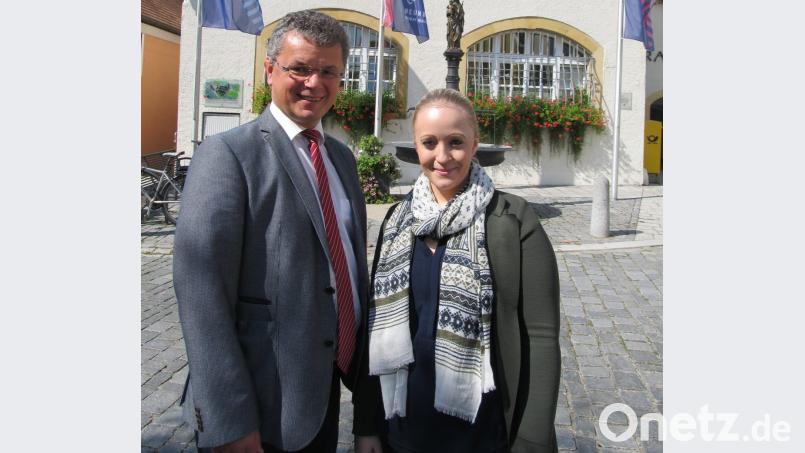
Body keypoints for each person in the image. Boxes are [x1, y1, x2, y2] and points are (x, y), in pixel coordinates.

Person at [174, 10, 381, 453]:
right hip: (260, 406)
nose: (315, 83)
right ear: (270, 70)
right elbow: (201, 294)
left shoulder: (342, 160)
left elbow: (346, 270)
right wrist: (229, 422)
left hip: (321, 391)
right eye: (300, 68)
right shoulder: (227, 155)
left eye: (328, 71)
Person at [354, 89, 561, 453]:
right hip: (403, 427)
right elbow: (375, 327)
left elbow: (541, 338)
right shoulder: (397, 221)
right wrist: (367, 425)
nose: (442, 156)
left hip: (483, 433)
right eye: (429, 142)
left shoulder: (512, 220)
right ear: (416, 147)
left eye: (456, 142)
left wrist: (531, 440)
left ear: (475, 144)